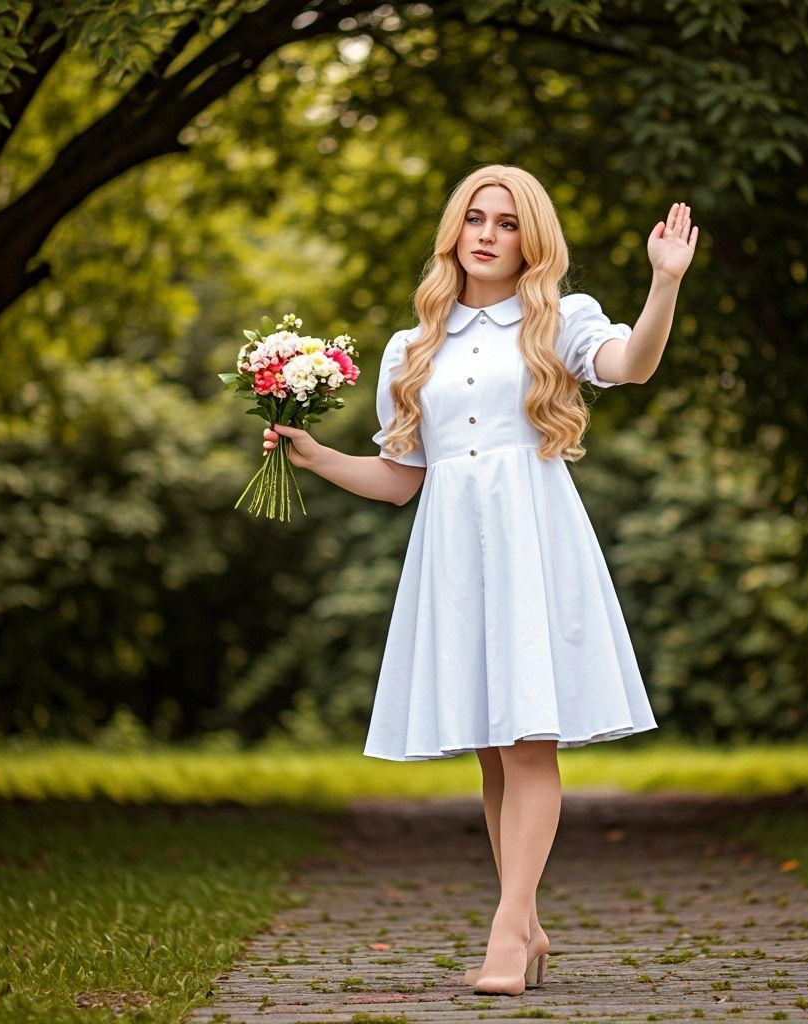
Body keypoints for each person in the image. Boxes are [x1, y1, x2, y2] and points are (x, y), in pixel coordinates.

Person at [262, 164, 699, 996]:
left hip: (531, 535)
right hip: (453, 546)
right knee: (493, 753)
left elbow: (633, 364)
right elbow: (402, 478)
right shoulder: (411, 344)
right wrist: (316, 456)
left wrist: (663, 285)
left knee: (528, 738)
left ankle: (507, 930)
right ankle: (527, 927)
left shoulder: (558, 319)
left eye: (506, 221)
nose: (488, 233)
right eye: (475, 218)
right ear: (454, 232)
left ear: (529, 238)